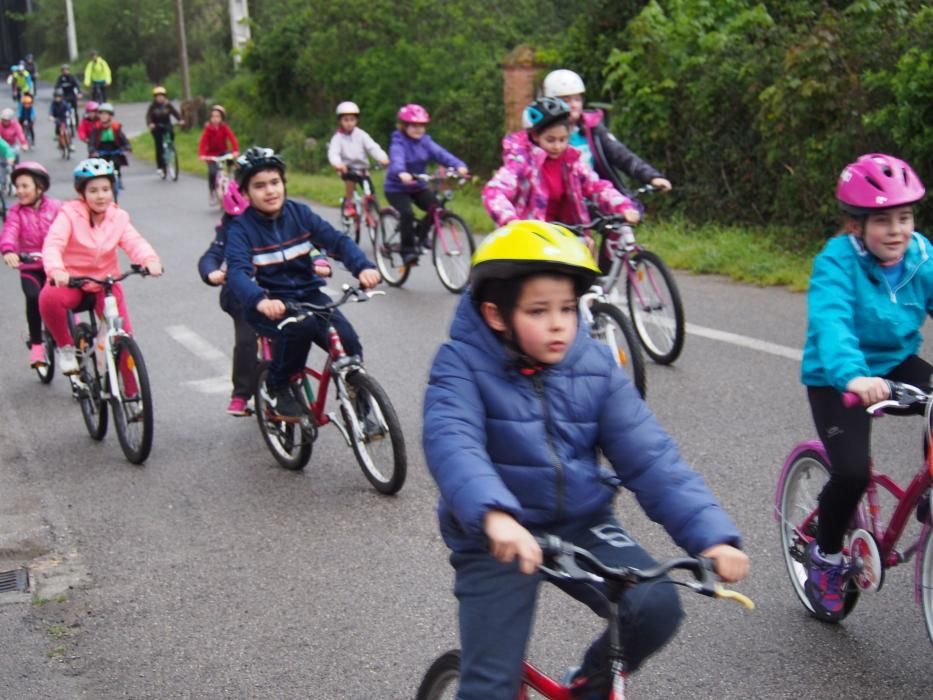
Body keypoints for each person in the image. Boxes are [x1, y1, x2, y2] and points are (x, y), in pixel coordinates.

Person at [423, 220, 748, 699]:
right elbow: (453, 443)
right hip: (496, 536)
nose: (559, 323)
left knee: (655, 606)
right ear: (496, 315)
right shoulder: (460, 364)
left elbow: (652, 458)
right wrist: (495, 517)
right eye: (539, 310)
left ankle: (587, 688)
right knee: (491, 683)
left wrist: (712, 536)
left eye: (568, 308)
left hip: (581, 523)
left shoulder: (594, 364)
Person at [800, 153, 929, 621]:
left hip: (895, 363)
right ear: (856, 224)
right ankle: (826, 557)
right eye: (882, 220)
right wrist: (854, 375)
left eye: (904, 217)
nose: (896, 230)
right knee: (852, 472)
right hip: (840, 379)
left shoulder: (921, 255)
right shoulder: (835, 263)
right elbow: (831, 323)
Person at [224, 147, 380, 419]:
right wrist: (261, 300)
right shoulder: (241, 229)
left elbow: (337, 241)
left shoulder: (300, 214)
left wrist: (363, 267)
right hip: (270, 302)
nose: (270, 191)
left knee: (348, 342)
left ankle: (361, 406)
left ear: (284, 183)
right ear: (246, 193)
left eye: (275, 182)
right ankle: (277, 387)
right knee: (300, 328)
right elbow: (237, 272)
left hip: (309, 295)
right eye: (259, 186)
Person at [199, 180, 332, 417]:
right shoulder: (232, 229)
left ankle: (289, 377)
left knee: (302, 330)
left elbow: (309, 244)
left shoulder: (284, 220)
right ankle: (241, 393)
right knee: (247, 340)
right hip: (244, 296)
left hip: (280, 292)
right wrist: (212, 273)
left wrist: (318, 260)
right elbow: (212, 255)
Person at [484, 97, 639, 272]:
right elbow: (494, 191)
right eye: (551, 140)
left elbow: (596, 186)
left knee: (586, 274)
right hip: (531, 239)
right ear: (535, 135)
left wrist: (623, 206)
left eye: (563, 139)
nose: (557, 146)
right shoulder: (522, 162)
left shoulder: (571, 161)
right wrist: (511, 221)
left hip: (566, 233)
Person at [39, 159, 162, 375]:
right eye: (93, 190)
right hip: (73, 281)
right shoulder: (69, 215)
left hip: (105, 283)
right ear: (82, 193)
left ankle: (133, 397)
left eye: (106, 189)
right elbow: (53, 244)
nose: (101, 195)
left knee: (123, 336)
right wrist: (57, 270)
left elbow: (134, 242)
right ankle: (66, 348)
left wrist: (150, 260)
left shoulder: (118, 218)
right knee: (48, 298)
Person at [541, 69, 672, 203]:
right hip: (558, 203)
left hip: (598, 198)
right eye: (566, 100)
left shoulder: (593, 129)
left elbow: (621, 155)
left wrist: (651, 177)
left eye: (577, 99)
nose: (573, 105)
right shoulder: (540, 134)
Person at [384, 103, 468, 265]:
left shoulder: (425, 142)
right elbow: (397, 158)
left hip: (418, 186)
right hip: (397, 188)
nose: (418, 130)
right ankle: (407, 251)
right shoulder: (398, 141)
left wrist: (459, 165)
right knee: (407, 213)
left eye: (421, 126)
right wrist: (402, 172)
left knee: (436, 207)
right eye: (414, 126)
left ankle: (420, 235)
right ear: (404, 126)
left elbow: (441, 154)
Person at [0, 162, 62, 367]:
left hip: (55, 264)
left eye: (25, 186)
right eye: (17, 187)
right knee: (34, 297)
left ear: (40, 187)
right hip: (30, 267)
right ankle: (36, 344)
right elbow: (9, 231)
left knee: (66, 294)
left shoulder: (56, 207)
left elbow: (68, 226)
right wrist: (9, 250)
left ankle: (70, 325)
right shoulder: (16, 212)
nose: (19, 191)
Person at [327, 101, 389, 218]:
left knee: (370, 191)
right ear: (340, 121)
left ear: (356, 120)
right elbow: (333, 153)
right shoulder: (338, 138)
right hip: (347, 168)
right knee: (350, 180)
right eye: (346, 120)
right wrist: (338, 164)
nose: (349, 123)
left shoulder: (361, 135)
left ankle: (370, 211)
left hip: (363, 168)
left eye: (352, 120)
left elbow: (373, 147)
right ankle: (349, 204)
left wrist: (383, 158)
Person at [198, 104, 239, 205]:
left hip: (223, 153)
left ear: (222, 118)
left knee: (230, 159)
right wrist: (202, 154)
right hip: (211, 155)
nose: (215, 119)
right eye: (213, 116)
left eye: (218, 116)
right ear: (210, 118)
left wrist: (235, 150)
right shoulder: (208, 129)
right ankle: (212, 191)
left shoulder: (224, 128)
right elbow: (203, 142)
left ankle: (231, 177)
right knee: (212, 173)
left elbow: (232, 138)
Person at [146, 86, 184, 177]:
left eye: (162, 96)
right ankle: (160, 167)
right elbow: (148, 117)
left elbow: (175, 113)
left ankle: (170, 148)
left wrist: (180, 120)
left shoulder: (168, 105)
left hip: (166, 125)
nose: (160, 98)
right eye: (158, 96)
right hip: (157, 127)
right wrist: (150, 123)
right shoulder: (152, 107)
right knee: (159, 146)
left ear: (165, 96)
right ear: (155, 98)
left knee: (171, 134)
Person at [88, 103, 131, 173]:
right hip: (101, 152)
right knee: (101, 169)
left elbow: (123, 139)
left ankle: (118, 181)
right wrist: (92, 150)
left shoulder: (115, 127)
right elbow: (91, 142)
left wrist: (127, 148)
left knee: (116, 165)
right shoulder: (97, 127)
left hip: (115, 151)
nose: (103, 116)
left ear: (110, 116)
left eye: (105, 114)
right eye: (101, 114)